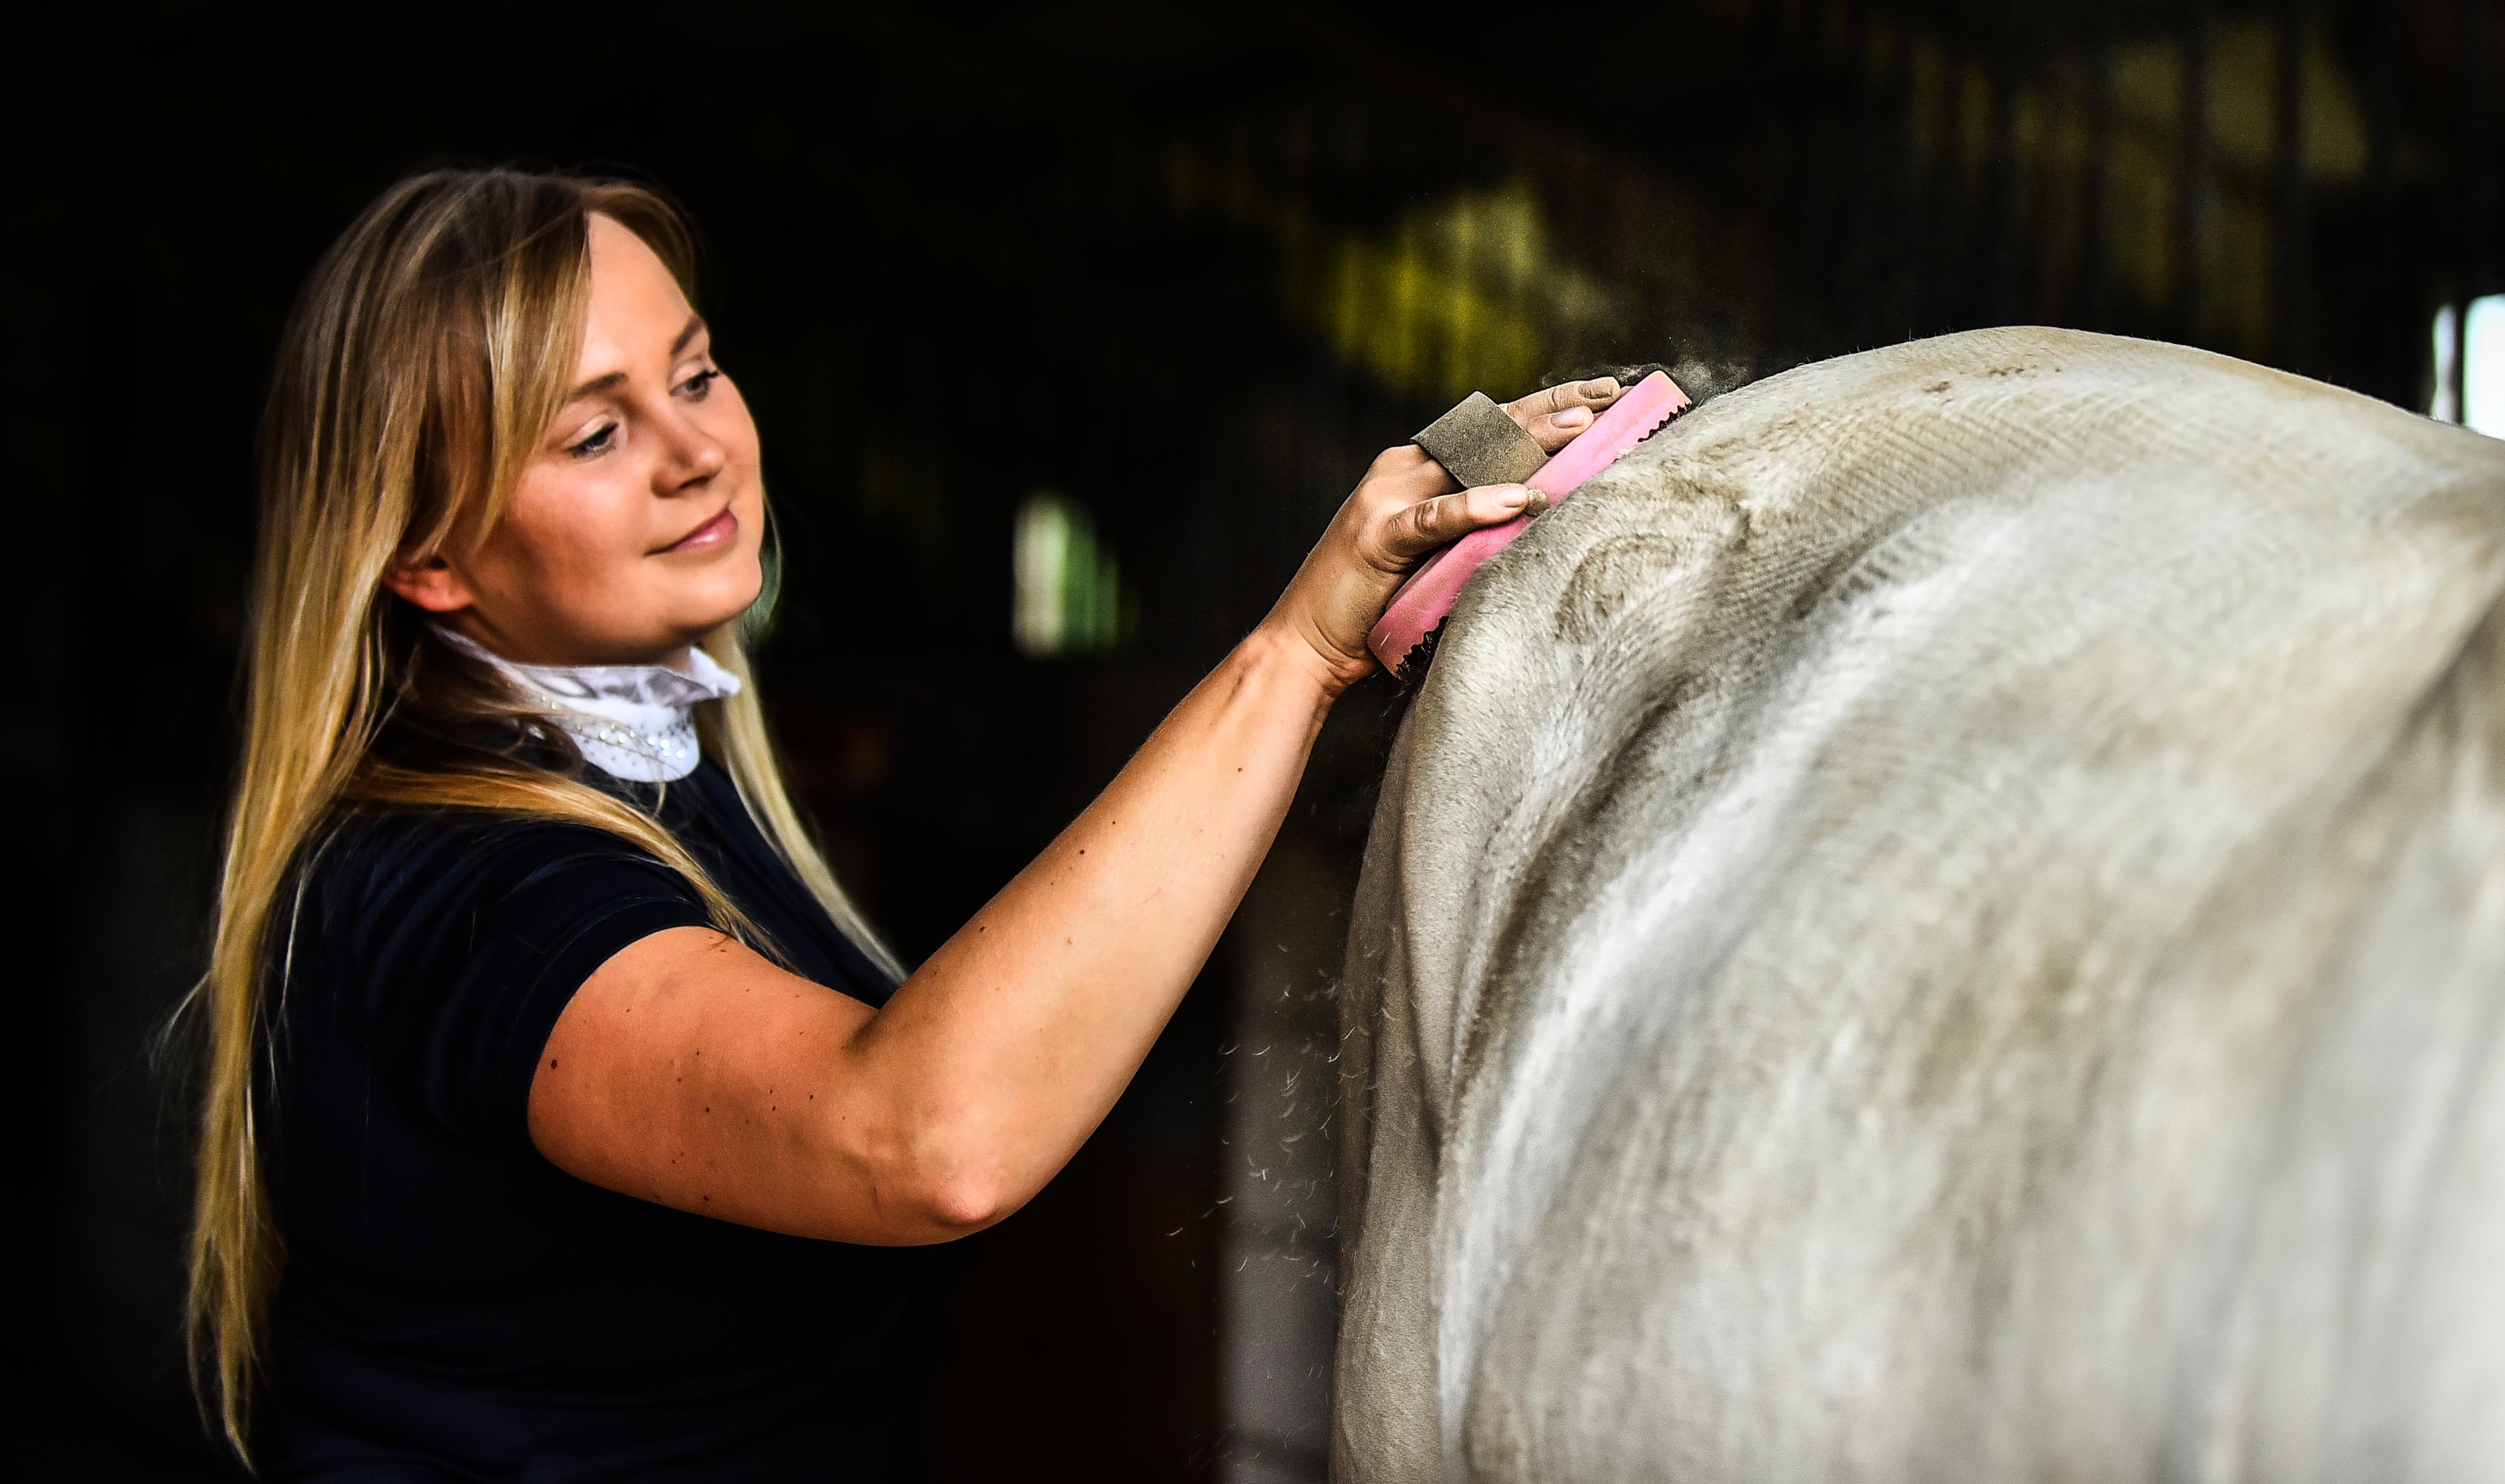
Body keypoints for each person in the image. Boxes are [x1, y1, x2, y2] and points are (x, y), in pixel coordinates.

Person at [186, 167, 1621, 1478]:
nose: (698, 451)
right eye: (598, 429)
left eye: (696, 372)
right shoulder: (476, 885)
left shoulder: (659, 772)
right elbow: (924, 1137)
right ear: (430, 561)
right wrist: (1299, 650)